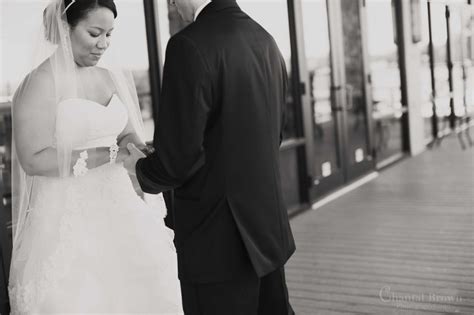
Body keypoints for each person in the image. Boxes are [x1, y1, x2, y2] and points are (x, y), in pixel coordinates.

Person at [8, 0, 183, 313]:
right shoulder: (39, 83)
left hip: (120, 207)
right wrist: (110, 153)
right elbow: (32, 158)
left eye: (109, 35)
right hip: (68, 218)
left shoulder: (108, 77)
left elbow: (128, 133)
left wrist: (138, 150)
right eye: (94, 33)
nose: (103, 44)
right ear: (65, 28)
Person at [124, 0, 296, 314]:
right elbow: (272, 135)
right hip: (267, 231)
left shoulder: (187, 45)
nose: (172, 4)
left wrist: (138, 170)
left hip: (217, 240)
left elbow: (177, 161)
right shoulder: (265, 40)